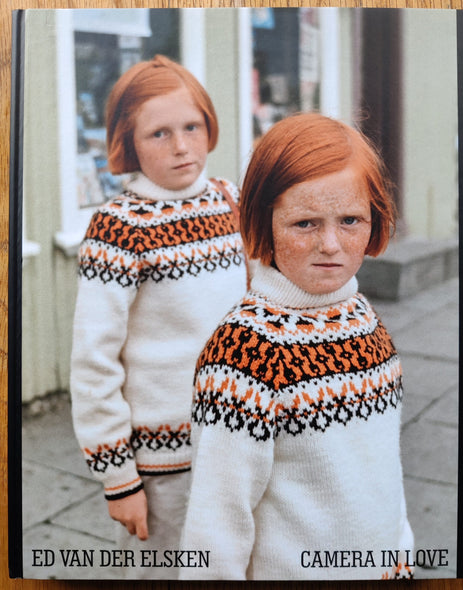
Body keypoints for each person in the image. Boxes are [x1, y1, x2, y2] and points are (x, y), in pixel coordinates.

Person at [180, 113, 414, 581]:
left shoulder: (363, 318)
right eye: (304, 223)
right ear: (263, 222)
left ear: (376, 218)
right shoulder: (243, 355)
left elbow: (381, 470)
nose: (330, 244)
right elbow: (216, 525)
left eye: (350, 220)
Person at [70, 55, 246, 579]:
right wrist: (118, 478)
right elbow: (93, 361)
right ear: (128, 143)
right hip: (162, 464)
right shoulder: (119, 228)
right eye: (159, 133)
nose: (181, 146)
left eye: (191, 126)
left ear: (209, 125)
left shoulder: (230, 200)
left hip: (237, 442)